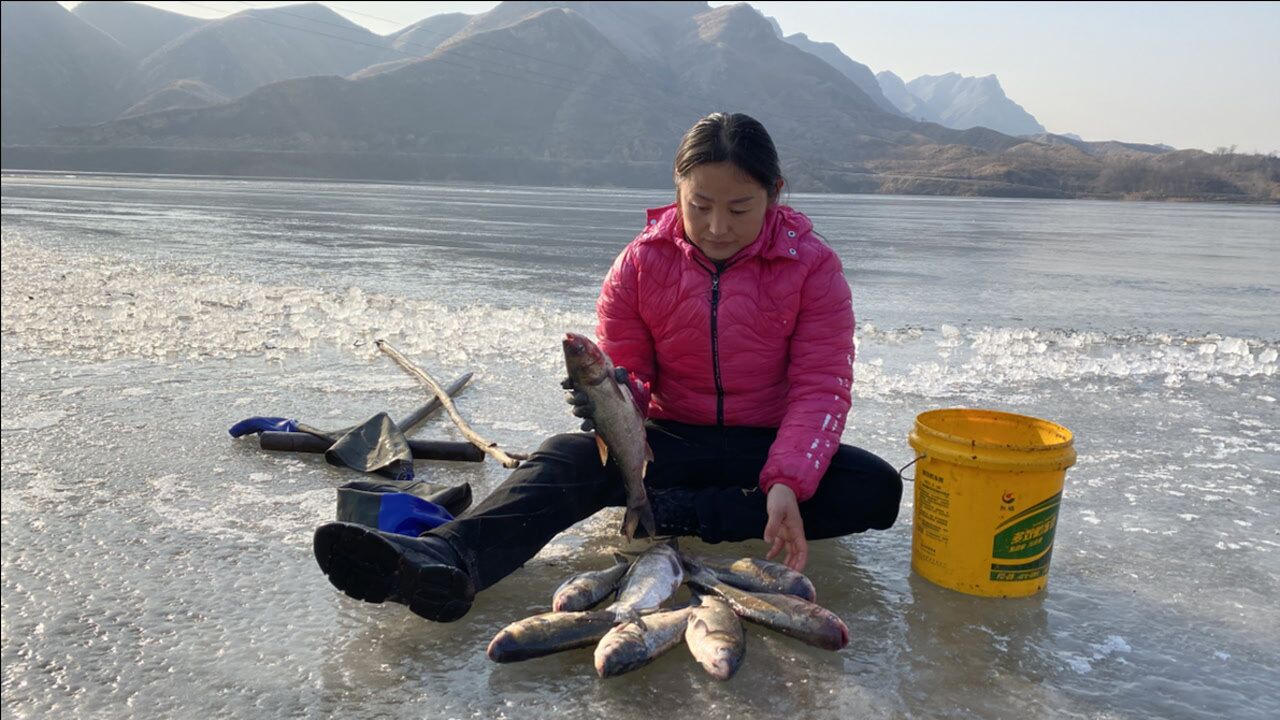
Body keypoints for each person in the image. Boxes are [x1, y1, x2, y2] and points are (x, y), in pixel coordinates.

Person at [312, 112, 903, 623]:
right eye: (700, 206)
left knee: (874, 489)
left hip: (765, 448)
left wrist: (784, 483)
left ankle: (678, 512)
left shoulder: (812, 268)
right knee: (565, 456)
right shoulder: (640, 264)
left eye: (740, 208)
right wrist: (617, 396)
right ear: (677, 190)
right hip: (668, 444)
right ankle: (445, 558)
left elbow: (820, 387)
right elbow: (634, 375)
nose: (718, 226)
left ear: (774, 194)